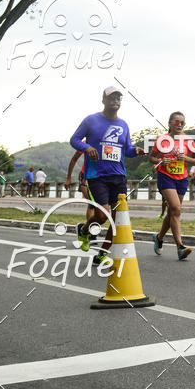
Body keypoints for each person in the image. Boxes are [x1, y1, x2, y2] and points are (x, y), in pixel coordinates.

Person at [69, 85, 144, 266]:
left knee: (118, 219)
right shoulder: (91, 120)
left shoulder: (123, 124)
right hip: (97, 176)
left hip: (118, 176)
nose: (115, 101)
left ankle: (102, 253)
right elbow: (74, 140)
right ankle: (84, 230)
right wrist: (88, 147)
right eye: (111, 98)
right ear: (103, 100)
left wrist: (136, 150)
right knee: (102, 216)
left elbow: (126, 149)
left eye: (118, 98)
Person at [150, 111, 195, 261]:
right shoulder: (162, 139)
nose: (179, 125)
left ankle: (159, 237)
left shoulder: (188, 140)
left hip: (182, 178)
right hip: (166, 177)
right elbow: (151, 157)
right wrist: (159, 162)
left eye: (182, 122)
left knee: (172, 212)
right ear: (170, 123)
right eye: (176, 122)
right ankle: (180, 247)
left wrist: (186, 158)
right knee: (176, 208)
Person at [65, 149, 95, 238]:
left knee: (100, 206)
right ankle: (90, 233)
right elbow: (74, 159)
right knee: (92, 204)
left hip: (100, 177)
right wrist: (68, 178)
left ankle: (83, 228)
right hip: (86, 176)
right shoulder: (86, 143)